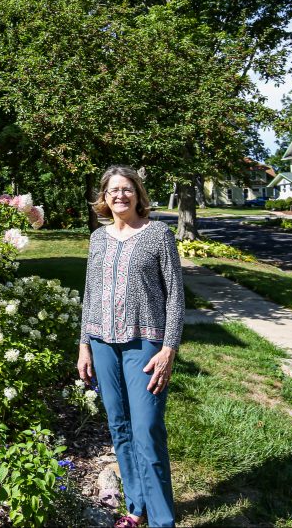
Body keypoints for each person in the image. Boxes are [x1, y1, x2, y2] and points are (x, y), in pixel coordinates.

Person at [77, 165, 184, 528]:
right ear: (103, 198)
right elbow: (89, 294)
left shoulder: (157, 234)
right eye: (112, 191)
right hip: (101, 342)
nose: (119, 196)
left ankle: (162, 521)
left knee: (147, 429)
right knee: (119, 426)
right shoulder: (98, 239)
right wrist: (84, 346)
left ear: (138, 194)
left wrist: (168, 349)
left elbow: (175, 297)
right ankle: (136, 507)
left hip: (146, 345)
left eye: (126, 189)